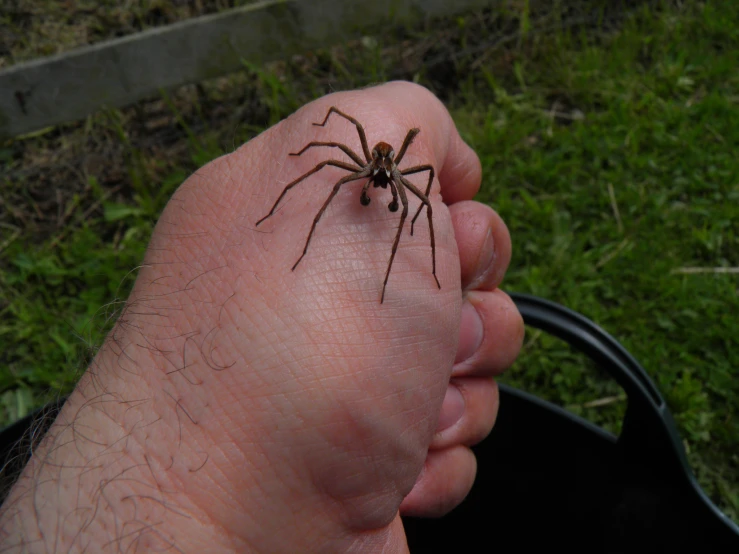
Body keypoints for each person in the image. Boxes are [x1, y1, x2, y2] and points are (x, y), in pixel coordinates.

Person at [0, 81, 524, 552]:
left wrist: (425, 262)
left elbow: (420, 191)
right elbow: (328, 148)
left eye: (385, 173)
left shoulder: (404, 174)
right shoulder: (359, 156)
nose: (383, 178)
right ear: (374, 164)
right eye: (379, 172)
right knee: (327, 171)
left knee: (419, 207)